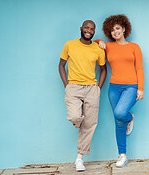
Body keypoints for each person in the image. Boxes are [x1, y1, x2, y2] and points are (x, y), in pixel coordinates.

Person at [97, 14, 144, 167]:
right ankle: (122, 155)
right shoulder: (109, 47)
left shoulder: (134, 47)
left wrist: (140, 89)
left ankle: (130, 118)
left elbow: (139, 68)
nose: (115, 32)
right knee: (118, 122)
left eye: (117, 28)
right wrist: (100, 41)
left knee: (120, 113)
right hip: (114, 87)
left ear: (124, 29)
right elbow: (93, 43)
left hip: (131, 86)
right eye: (112, 30)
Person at [59, 20, 107, 172]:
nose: (89, 30)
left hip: (91, 89)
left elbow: (103, 69)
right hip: (73, 87)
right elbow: (61, 65)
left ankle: (79, 159)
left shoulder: (98, 49)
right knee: (75, 116)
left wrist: (98, 88)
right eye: (86, 27)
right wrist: (66, 85)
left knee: (90, 124)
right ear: (81, 28)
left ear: (94, 32)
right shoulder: (69, 45)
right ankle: (79, 122)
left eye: (92, 29)